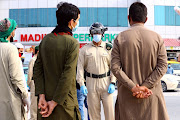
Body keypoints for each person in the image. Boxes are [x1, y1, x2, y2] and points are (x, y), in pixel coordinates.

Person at [111, 2, 169, 120]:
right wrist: (145, 86)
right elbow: (162, 66)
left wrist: (134, 88)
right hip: (151, 96)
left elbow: (115, 68)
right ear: (146, 19)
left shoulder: (120, 38)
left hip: (128, 97)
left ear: (129, 18)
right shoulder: (157, 38)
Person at [33, 2, 81, 120]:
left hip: (44, 104)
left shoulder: (46, 40)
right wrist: (54, 103)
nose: (77, 23)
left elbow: (37, 69)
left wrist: (42, 97)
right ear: (71, 22)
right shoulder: (72, 43)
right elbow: (67, 75)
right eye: (77, 20)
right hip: (64, 104)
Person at [76, 22, 116, 120]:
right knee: (93, 115)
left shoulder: (108, 48)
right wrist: (81, 84)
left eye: (98, 32)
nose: (96, 35)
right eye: (94, 32)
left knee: (110, 114)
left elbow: (113, 67)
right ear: (91, 34)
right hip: (91, 83)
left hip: (106, 82)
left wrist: (113, 82)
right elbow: (80, 68)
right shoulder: (84, 49)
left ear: (102, 34)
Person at [0, 18, 29, 120]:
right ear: (10, 32)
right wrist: (25, 97)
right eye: (14, 29)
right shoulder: (11, 49)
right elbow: (16, 77)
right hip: (9, 102)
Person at [28, 46, 39, 120]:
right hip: (35, 84)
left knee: (36, 105)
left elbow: (29, 74)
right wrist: (30, 84)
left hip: (36, 84)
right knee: (34, 105)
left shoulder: (36, 60)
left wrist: (29, 83)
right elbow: (30, 74)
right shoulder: (33, 60)